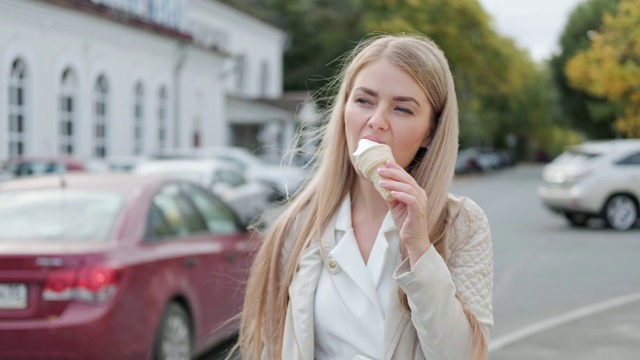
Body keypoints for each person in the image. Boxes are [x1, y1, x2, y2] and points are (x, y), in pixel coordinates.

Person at [238, 33, 494, 360]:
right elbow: (270, 349)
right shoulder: (298, 225)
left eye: (402, 109)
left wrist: (419, 248)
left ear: (430, 131)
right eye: (363, 101)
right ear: (344, 107)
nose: (376, 122)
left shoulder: (461, 225)